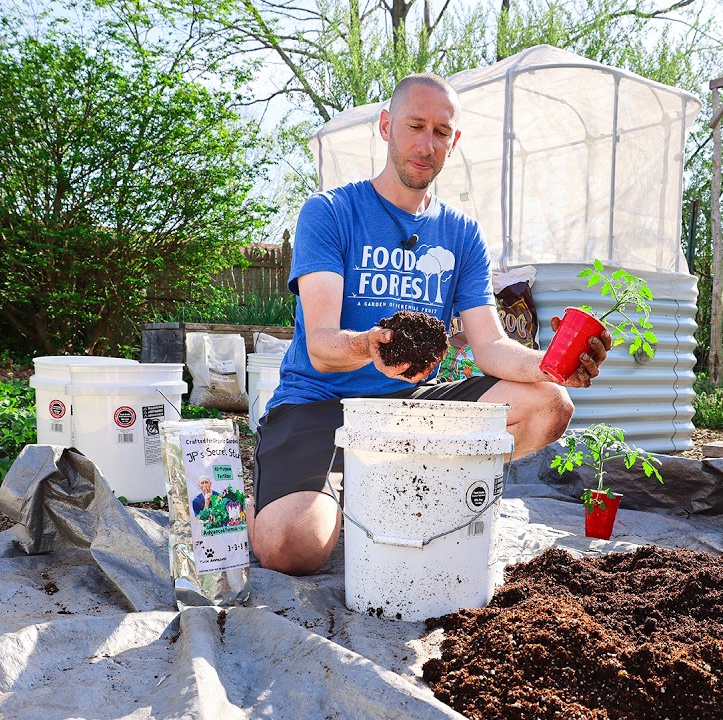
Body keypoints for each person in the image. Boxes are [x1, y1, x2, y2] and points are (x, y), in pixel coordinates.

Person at [249, 73, 614, 575]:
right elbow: (321, 346)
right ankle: (300, 494)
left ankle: (398, 486)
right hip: (319, 404)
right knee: (292, 547)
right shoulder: (331, 212)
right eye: (414, 126)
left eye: (441, 132)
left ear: (454, 140)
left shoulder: (461, 234)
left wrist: (553, 366)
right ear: (385, 126)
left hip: (410, 410)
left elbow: (490, 347)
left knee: (548, 405)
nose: (426, 144)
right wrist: (370, 346)